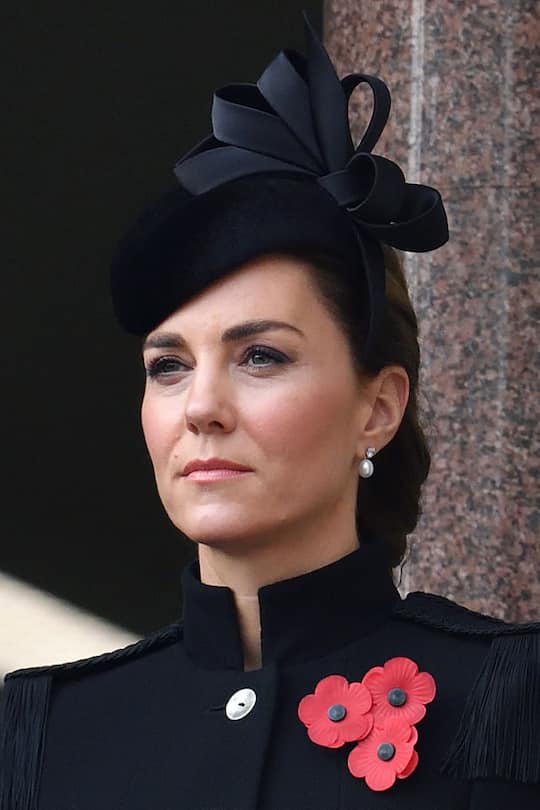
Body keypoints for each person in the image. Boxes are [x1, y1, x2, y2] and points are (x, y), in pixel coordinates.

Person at [1, 11, 538, 810]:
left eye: (262, 356)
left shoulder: (511, 696)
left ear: (379, 407)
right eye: (169, 366)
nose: (202, 409)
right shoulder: (45, 731)